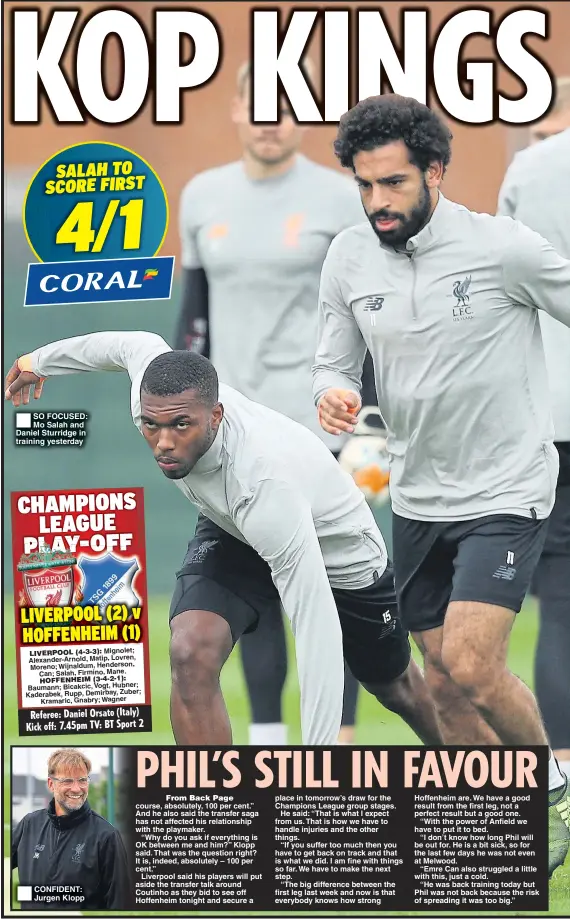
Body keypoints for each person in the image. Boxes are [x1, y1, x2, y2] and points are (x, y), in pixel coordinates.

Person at [311, 93, 570, 877]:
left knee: (471, 661)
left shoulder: (505, 249)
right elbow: (332, 357)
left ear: (436, 172)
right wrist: (333, 391)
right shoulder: (349, 258)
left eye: (392, 184)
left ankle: (551, 791)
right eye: (364, 186)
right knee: (444, 690)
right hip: (418, 495)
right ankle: (506, 832)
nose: (378, 203)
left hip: (508, 487)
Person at [5, 332, 442, 752]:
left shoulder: (264, 482)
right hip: (232, 527)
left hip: (340, 559)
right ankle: (214, 813)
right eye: (150, 425)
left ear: (215, 416)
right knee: (191, 649)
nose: (164, 443)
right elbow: (124, 343)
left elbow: (316, 629)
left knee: (398, 688)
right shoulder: (153, 390)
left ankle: (470, 762)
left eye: (181, 425)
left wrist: (317, 767)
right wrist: (34, 363)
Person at [174, 60, 374, 745]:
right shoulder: (201, 197)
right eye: (258, 105)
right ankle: (267, 749)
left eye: (287, 107)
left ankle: (338, 747)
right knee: (255, 585)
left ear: (306, 117)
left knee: (327, 590)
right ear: (235, 109)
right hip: (234, 434)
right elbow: (192, 323)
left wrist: (368, 421)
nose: (270, 120)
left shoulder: (341, 198)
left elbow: (367, 316)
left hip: (323, 432)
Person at [497, 125, 570, 782]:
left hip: (549, 408)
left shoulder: (530, 169)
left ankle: (567, 777)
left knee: (563, 603)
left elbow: (494, 286)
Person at [11, 748, 131, 910]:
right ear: (51, 784)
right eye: (67, 781)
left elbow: (120, 904)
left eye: (82, 780)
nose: (76, 788)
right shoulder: (29, 825)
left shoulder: (106, 836)